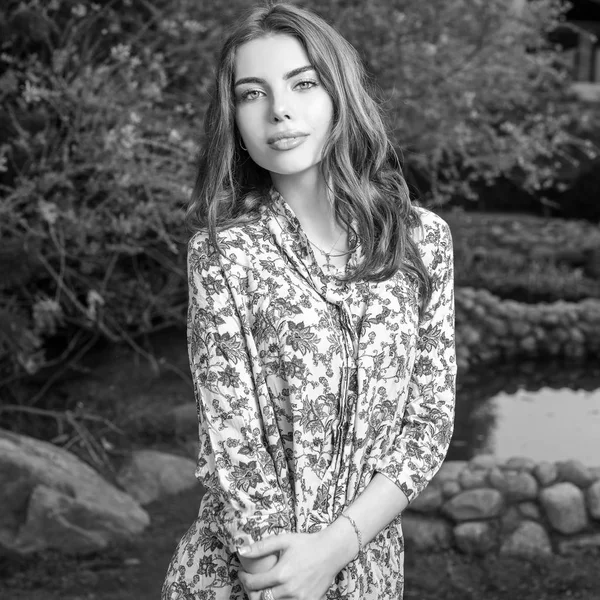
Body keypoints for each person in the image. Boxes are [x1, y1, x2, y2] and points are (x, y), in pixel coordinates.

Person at [162, 2, 456, 599]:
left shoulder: (423, 241)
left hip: (370, 572)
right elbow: (237, 452)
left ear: (339, 92)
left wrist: (337, 549)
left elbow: (428, 424)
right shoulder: (222, 254)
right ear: (235, 120)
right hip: (248, 574)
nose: (280, 111)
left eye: (303, 83)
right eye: (252, 94)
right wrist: (294, 577)